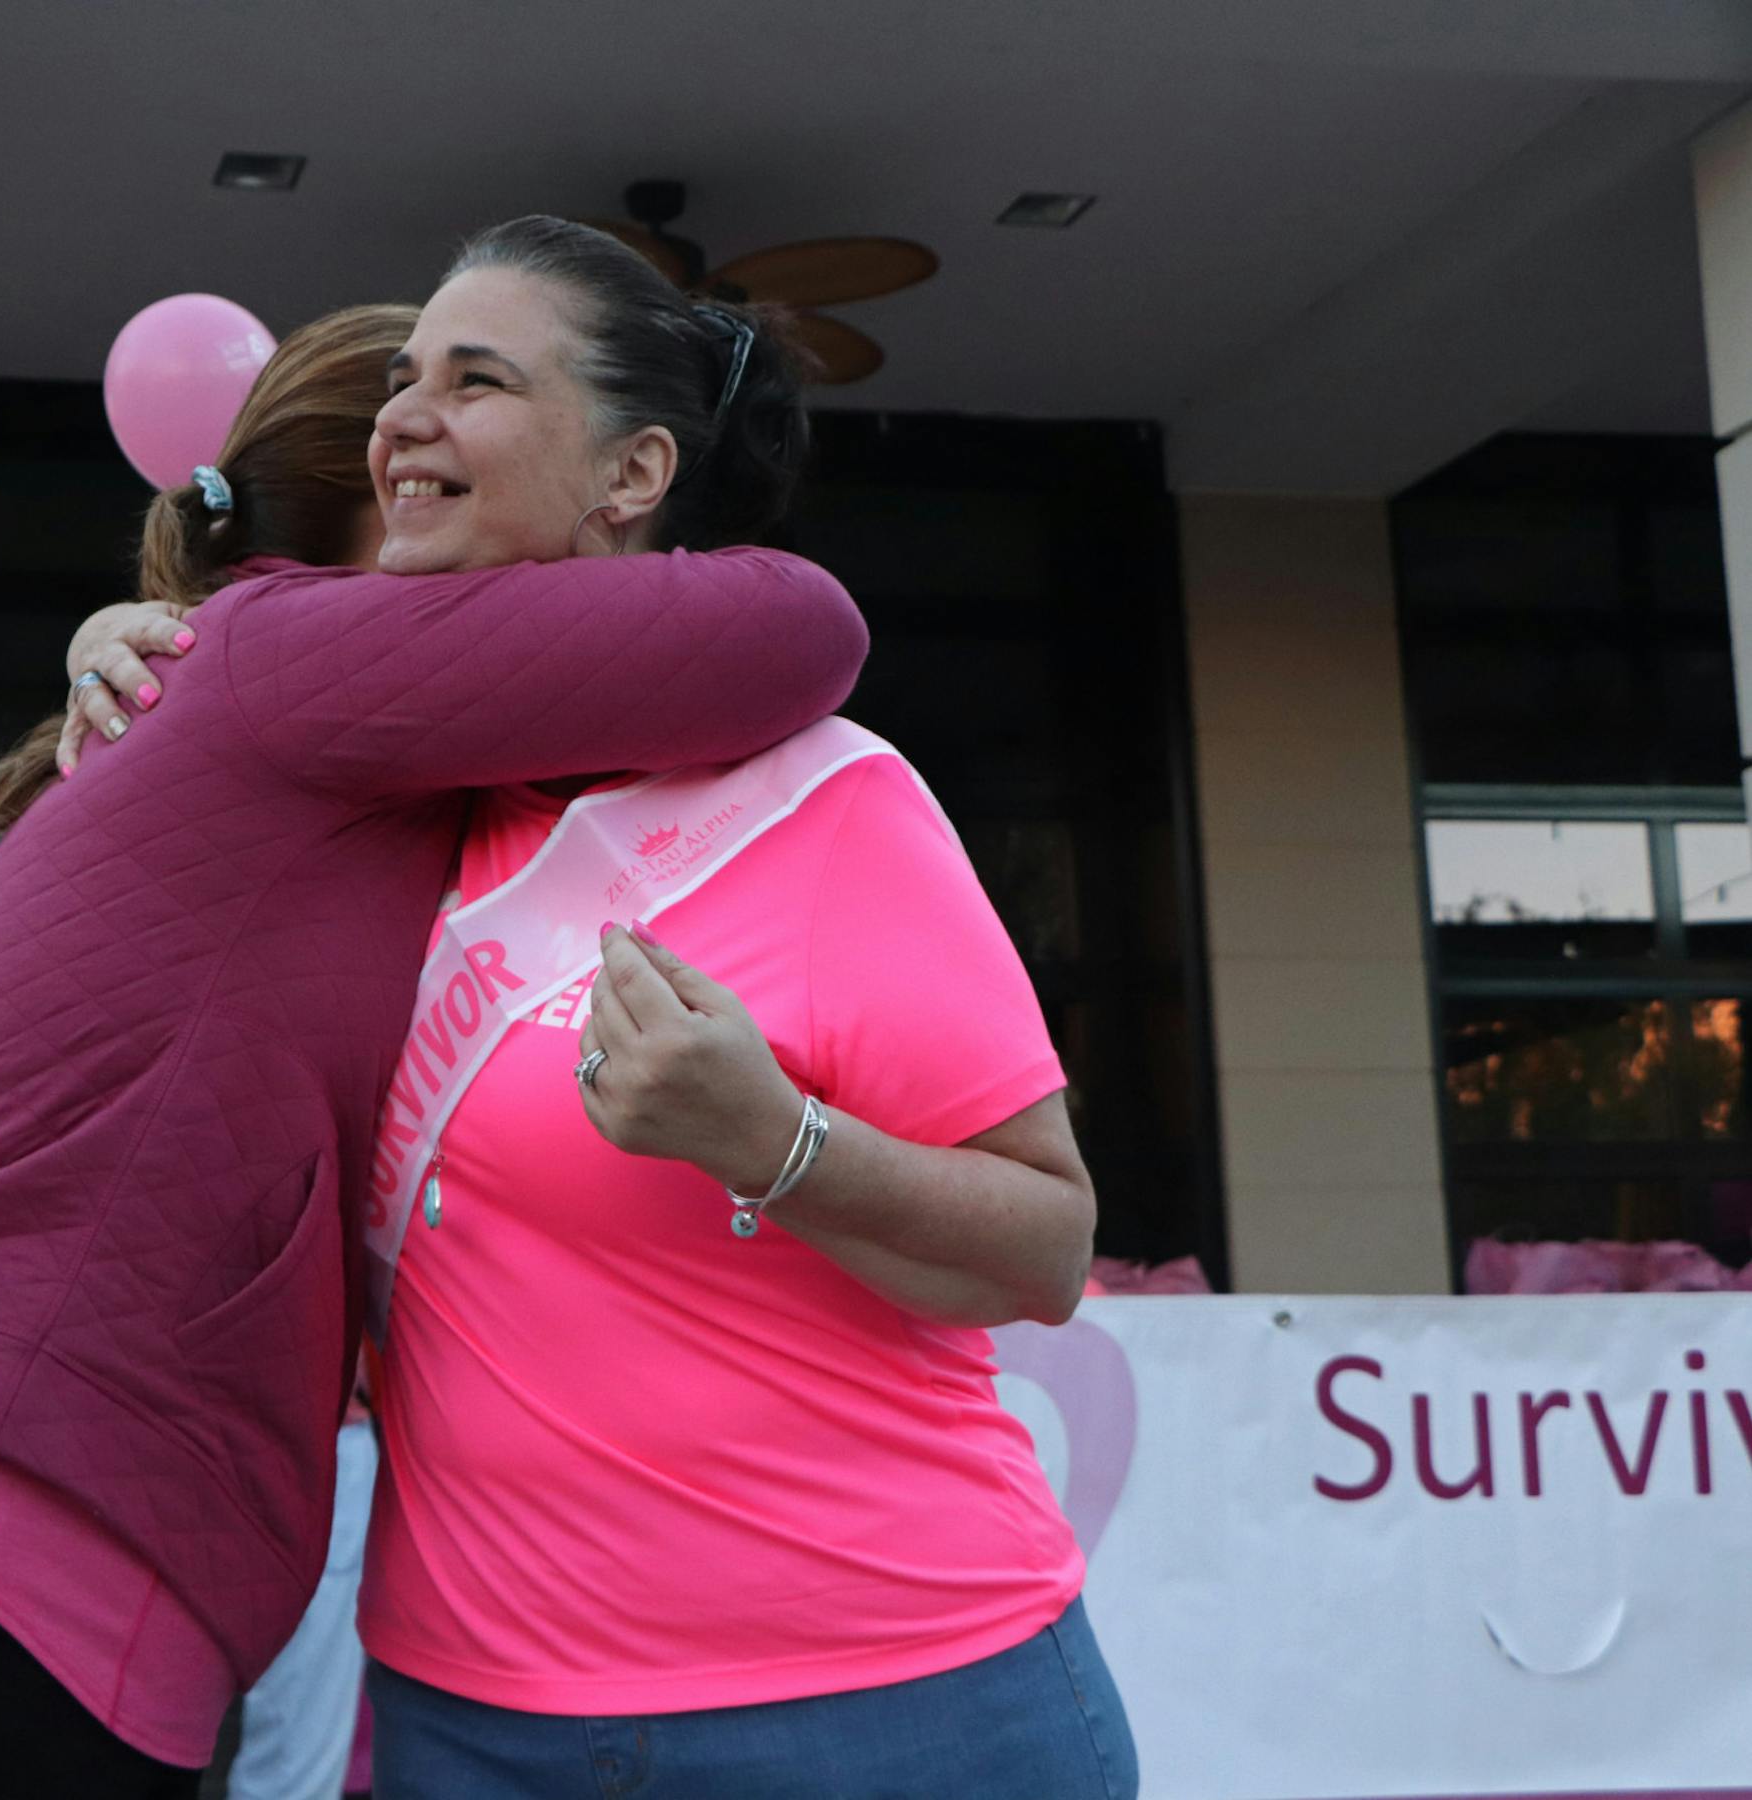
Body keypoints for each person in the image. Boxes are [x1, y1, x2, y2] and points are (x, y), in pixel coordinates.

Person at [0, 268, 870, 1798]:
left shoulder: (264, 699)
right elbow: (794, 624)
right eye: (415, 407)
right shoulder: (295, 658)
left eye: (479, 390)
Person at [57, 216, 1139, 1799]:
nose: (402, 416)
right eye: (403, 377)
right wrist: (132, 642)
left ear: (632, 474)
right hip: (474, 1715)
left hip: (883, 1698)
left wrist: (772, 1141)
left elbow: (1042, 1249)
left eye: (475, 380)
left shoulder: (827, 799)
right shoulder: (379, 803)